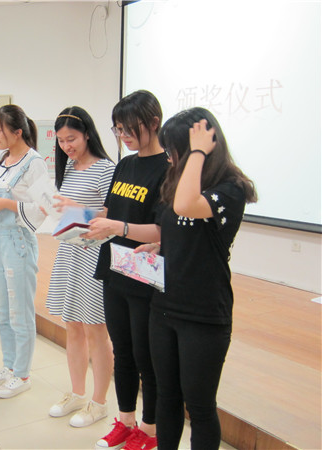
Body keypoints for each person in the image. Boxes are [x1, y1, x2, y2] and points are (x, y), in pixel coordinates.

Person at [138, 107, 257, 449]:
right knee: (167, 396)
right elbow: (179, 229)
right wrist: (161, 247)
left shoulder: (231, 189)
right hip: (164, 308)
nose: (170, 158)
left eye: (175, 150)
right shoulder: (176, 182)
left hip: (204, 314)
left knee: (200, 405)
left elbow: (187, 206)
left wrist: (198, 152)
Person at [84, 90, 169, 450]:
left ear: (154, 122)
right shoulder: (125, 164)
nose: (124, 136)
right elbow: (110, 211)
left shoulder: (169, 168)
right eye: (118, 129)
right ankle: (125, 420)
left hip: (145, 274)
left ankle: (149, 430)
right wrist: (81, 218)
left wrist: (117, 226)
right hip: (114, 268)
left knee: (146, 357)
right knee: (122, 351)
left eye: (130, 128)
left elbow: (163, 231)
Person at [45, 106, 115, 427]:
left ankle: (98, 402)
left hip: (95, 255)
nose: (66, 146)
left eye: (71, 139)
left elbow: (113, 215)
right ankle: (77, 393)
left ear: (87, 134)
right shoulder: (70, 168)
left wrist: (79, 208)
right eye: (61, 141)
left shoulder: (106, 169)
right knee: (72, 324)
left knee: (95, 329)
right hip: (70, 252)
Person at [0, 104, 49, 399]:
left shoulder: (34, 163)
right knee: (3, 310)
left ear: (17, 132)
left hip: (19, 242)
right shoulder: (4, 161)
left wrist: (5, 204)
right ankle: (9, 365)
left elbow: (43, 208)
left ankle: (22, 374)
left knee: (20, 311)